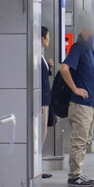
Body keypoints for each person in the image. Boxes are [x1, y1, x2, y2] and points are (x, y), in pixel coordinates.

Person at [59, 22, 94, 187]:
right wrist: (75, 89)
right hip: (80, 104)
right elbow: (64, 68)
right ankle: (74, 175)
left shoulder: (88, 48)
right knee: (79, 139)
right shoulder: (78, 48)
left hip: (89, 103)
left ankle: (78, 172)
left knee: (85, 139)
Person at [38, 26, 53, 179]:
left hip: (44, 99)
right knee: (41, 133)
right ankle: (36, 166)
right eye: (48, 36)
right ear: (42, 38)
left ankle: (37, 165)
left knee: (43, 132)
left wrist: (48, 67)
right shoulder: (36, 54)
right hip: (41, 101)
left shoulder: (41, 54)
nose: (49, 39)